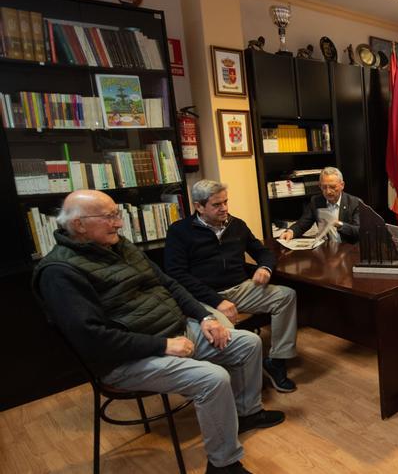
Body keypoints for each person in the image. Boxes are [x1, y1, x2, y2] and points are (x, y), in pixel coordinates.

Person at [33, 190, 284, 474]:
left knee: (249, 343)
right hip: (125, 359)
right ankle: (223, 465)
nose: (119, 224)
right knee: (213, 379)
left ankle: (247, 413)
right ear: (79, 225)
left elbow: (170, 284)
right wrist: (163, 345)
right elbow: (94, 338)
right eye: (110, 217)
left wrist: (204, 317)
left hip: (175, 331)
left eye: (118, 215)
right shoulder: (59, 272)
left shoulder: (120, 246)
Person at [165, 180, 299, 393]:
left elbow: (263, 252)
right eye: (217, 205)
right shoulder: (179, 231)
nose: (225, 208)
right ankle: (235, 388)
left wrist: (265, 267)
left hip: (241, 288)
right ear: (199, 206)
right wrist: (218, 302)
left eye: (226, 202)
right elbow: (177, 275)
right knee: (225, 335)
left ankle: (277, 360)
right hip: (205, 297)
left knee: (286, 295)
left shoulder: (237, 225)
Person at [286, 166, 361, 243]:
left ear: (342, 185)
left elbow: (358, 231)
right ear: (320, 186)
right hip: (326, 248)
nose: (328, 191)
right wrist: (290, 232)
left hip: (348, 249)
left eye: (332, 187)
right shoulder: (316, 201)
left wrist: (338, 224)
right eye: (324, 187)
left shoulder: (354, 203)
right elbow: (302, 224)